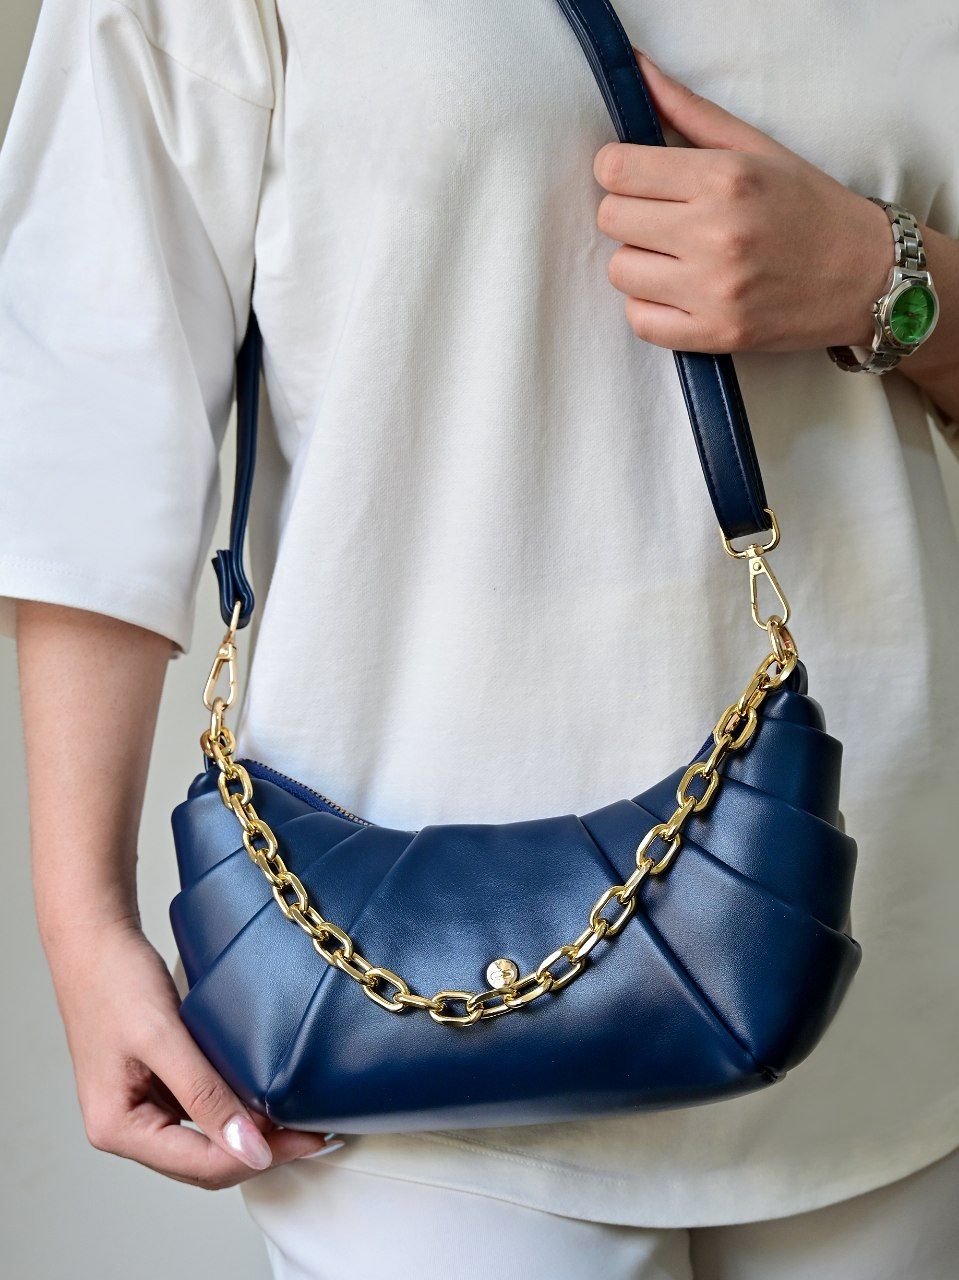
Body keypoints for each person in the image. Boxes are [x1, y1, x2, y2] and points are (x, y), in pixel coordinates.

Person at [2, 3, 957, 1277]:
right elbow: (93, 409)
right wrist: (80, 918)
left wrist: (887, 284)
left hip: (877, 963)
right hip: (374, 977)